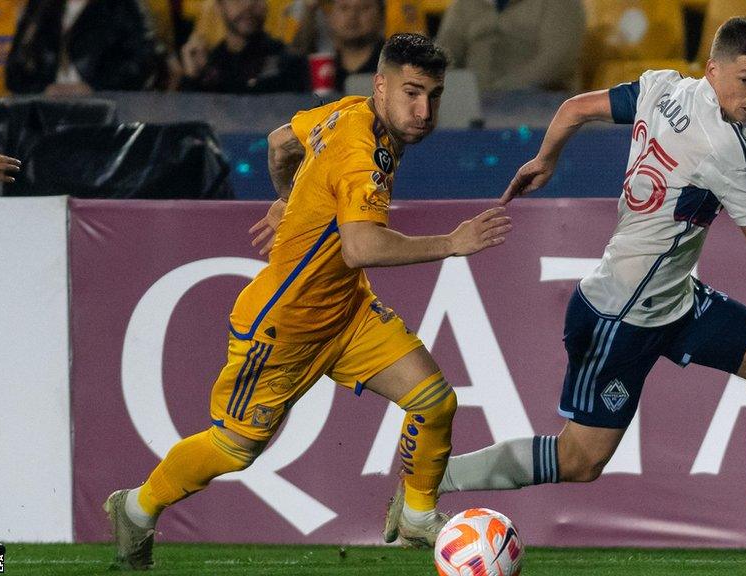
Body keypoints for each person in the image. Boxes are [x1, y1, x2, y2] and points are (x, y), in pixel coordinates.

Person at [425, 17, 746, 536]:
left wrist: (546, 158)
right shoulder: (727, 147)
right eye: (745, 80)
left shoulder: (662, 86)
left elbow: (573, 108)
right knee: (579, 460)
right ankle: (429, 480)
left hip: (674, 300)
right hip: (620, 314)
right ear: (714, 69)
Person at [104, 33, 512, 570]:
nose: (424, 110)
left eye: (434, 95)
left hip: (346, 312)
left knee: (434, 401)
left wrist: (289, 199)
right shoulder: (360, 151)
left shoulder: (348, 112)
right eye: (412, 93)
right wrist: (451, 244)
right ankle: (136, 508)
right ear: (381, 85)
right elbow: (361, 245)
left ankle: (416, 514)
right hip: (284, 326)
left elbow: (279, 143)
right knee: (234, 449)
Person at [5, 0, 160, 95]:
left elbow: (141, 61)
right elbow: (16, 69)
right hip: (45, 114)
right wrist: (44, 89)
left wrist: (95, 88)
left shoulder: (122, 6)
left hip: (106, 114)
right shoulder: (40, 7)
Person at [434, 0, 585, 92]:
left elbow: (556, 61)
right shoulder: (464, 5)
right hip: (472, 106)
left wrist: (500, 89)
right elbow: (445, 52)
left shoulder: (562, 3)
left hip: (539, 105)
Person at [179, 0, 309, 93]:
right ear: (219, 6)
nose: (248, 5)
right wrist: (191, 78)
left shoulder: (287, 62)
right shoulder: (209, 68)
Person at [291, 0, 386, 94]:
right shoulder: (318, 66)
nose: (352, 15)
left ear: (381, 16)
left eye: (364, 8)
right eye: (344, 8)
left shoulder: (394, 62)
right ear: (329, 17)